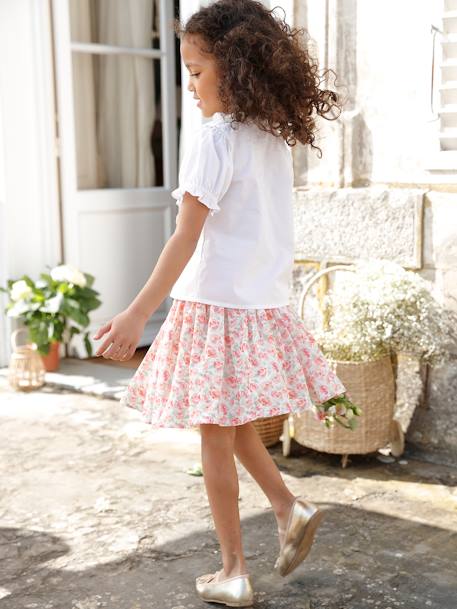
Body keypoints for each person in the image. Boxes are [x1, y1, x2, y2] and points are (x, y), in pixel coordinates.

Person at [93, 1, 347, 606]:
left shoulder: (217, 139)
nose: (189, 84)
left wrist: (135, 314)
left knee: (215, 438)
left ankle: (233, 569)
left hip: (215, 308)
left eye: (197, 70)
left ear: (234, 69)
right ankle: (290, 508)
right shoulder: (273, 141)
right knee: (233, 429)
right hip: (260, 305)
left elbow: (187, 235)